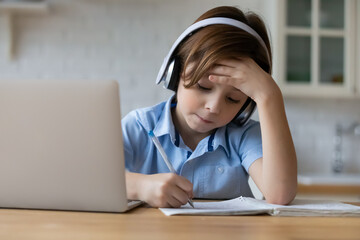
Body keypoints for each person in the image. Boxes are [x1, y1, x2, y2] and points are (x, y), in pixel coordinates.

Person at [122, 6, 297, 208]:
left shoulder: (243, 136)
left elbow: (280, 194)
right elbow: (84, 177)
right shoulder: (139, 126)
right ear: (174, 72)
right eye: (203, 87)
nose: (214, 107)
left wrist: (269, 96)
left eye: (232, 99)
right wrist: (140, 187)